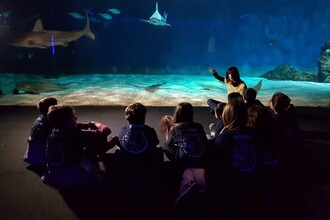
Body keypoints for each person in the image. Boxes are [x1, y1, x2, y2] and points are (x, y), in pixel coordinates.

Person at [41, 105, 118, 187]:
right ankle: (107, 146)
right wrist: (96, 123)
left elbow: (76, 125)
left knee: (79, 147)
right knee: (96, 141)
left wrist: (87, 124)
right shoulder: (77, 135)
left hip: (54, 172)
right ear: (68, 121)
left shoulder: (53, 130)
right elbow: (106, 131)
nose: (76, 118)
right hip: (71, 176)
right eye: (73, 116)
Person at [115, 102, 163, 190]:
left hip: (129, 165)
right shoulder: (149, 130)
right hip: (145, 164)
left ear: (127, 117)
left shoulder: (122, 130)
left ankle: (119, 175)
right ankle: (158, 176)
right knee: (159, 148)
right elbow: (155, 143)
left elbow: (120, 144)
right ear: (143, 116)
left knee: (118, 149)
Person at [161, 102, 209, 174]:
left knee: (165, 145)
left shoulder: (175, 128)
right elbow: (205, 142)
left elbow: (169, 143)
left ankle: (176, 166)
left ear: (177, 114)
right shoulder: (198, 126)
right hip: (200, 160)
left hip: (184, 162)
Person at [23, 97, 58, 167]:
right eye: (56, 106)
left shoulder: (40, 118)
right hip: (44, 158)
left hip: (31, 155)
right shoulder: (51, 121)